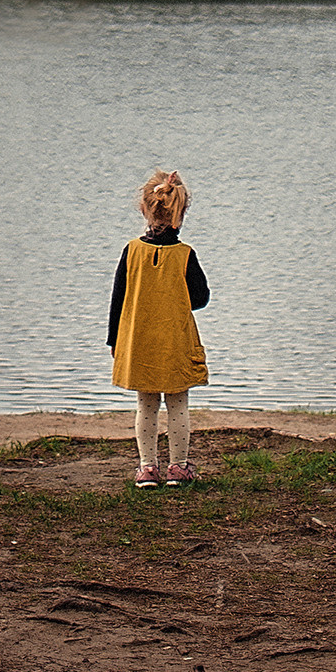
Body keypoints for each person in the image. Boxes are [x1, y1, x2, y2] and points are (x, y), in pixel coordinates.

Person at [107, 167, 211, 487]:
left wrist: (114, 341)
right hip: (175, 340)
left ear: (144, 208)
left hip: (139, 341)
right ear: (182, 212)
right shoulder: (185, 255)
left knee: (146, 405)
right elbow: (201, 297)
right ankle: (178, 467)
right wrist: (174, 300)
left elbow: (118, 299)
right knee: (177, 405)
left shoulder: (132, 251)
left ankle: (147, 469)